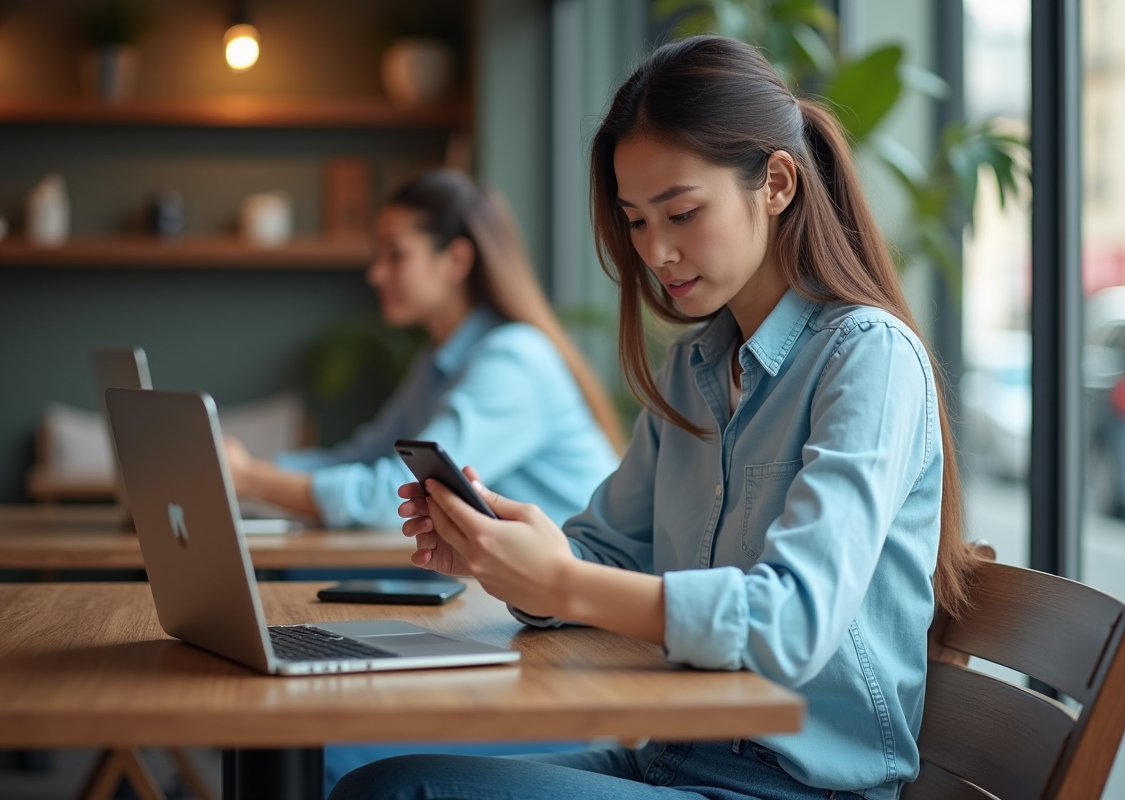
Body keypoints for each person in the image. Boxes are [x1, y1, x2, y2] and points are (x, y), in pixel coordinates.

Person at [331, 35, 981, 800]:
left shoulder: (868, 357)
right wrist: (509, 557)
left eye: (682, 212)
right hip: (671, 757)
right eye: (637, 221)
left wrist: (563, 582)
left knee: (392, 792)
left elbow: (792, 623)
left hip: (795, 789)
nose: (658, 252)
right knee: (380, 781)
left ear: (776, 183)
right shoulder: (695, 367)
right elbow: (604, 552)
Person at [224, 170, 623, 531]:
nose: (376, 273)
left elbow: (396, 496)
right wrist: (242, 469)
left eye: (395, 254)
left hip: (578, 582)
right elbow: (364, 458)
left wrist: (249, 479)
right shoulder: (437, 361)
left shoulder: (513, 361)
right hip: (516, 578)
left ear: (456, 260)